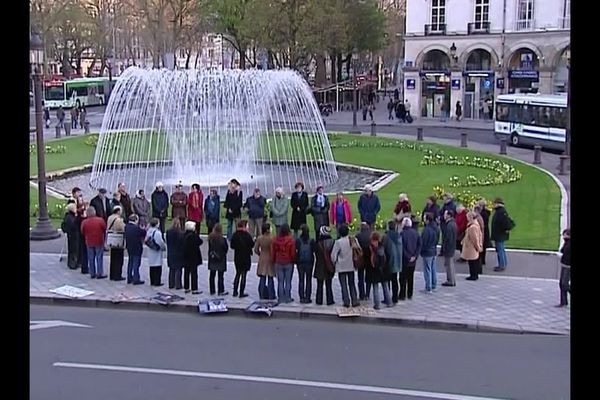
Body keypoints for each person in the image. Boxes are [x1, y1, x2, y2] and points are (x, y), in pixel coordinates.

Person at [331, 224, 360, 308]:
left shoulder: (338, 242)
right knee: (352, 284)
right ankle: (354, 300)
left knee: (343, 285)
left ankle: (346, 301)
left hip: (341, 266)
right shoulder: (353, 240)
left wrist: (335, 262)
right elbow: (358, 249)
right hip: (351, 265)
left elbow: (333, 255)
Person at [366, 231, 391, 310]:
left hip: (374, 270)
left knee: (375, 287)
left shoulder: (369, 248)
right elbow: (387, 256)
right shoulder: (382, 246)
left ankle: (377, 305)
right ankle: (389, 302)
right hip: (383, 269)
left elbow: (367, 260)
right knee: (385, 285)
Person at [80, 206, 107, 279]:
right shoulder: (100, 220)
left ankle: (92, 273)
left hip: (89, 241)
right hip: (99, 241)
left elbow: (82, 231)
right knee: (99, 257)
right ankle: (99, 273)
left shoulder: (84, 222)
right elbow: (104, 229)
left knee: (91, 258)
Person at [271, 223, 296, 303]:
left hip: (278, 262)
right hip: (288, 262)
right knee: (288, 281)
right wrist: (293, 260)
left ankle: (280, 298)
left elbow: (273, 251)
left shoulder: (275, 240)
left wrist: (274, 260)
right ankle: (288, 297)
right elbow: (292, 253)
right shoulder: (291, 240)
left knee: (280, 281)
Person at [230, 220, 254, 297]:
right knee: (244, 275)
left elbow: (232, 246)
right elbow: (252, 245)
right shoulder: (247, 235)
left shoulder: (235, 235)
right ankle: (241, 292)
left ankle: (235, 291)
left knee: (237, 273)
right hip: (245, 257)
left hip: (237, 257)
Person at [491, 197, 514, 272]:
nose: (493, 205)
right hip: (499, 234)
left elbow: (505, 224)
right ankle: (503, 264)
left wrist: (504, 230)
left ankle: (502, 265)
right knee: (501, 250)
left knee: (500, 250)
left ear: (498, 204)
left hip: (499, 235)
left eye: (494, 203)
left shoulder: (500, 212)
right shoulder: (501, 212)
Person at [314, 226, 335, 306]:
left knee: (319, 285)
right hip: (329, 265)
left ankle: (319, 300)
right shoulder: (333, 242)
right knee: (329, 285)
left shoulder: (317, 244)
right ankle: (330, 300)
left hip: (319, 265)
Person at [399, 217, 420, 300]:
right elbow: (419, 245)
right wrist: (415, 256)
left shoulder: (402, 234)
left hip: (405, 260)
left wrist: (408, 256)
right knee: (410, 277)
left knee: (403, 278)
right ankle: (410, 294)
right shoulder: (416, 233)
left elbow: (402, 247)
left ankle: (402, 294)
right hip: (413, 259)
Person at [295, 224, 316, 303]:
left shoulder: (298, 240)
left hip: (300, 262)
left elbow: (296, 250)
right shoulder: (311, 241)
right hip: (309, 262)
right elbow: (314, 250)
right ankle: (307, 297)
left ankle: (301, 297)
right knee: (308, 280)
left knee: (301, 280)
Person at [420, 212, 439, 294]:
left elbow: (423, 242)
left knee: (427, 269)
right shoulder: (436, 228)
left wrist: (421, 251)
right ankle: (433, 285)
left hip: (427, 252)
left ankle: (428, 287)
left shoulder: (426, 230)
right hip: (433, 250)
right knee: (433, 268)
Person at [254, 223, 275, 300]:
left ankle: (261, 294)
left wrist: (260, 254)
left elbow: (256, 249)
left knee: (262, 278)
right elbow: (273, 250)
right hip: (269, 258)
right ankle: (271, 295)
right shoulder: (272, 238)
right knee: (270, 277)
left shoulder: (259, 238)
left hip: (262, 257)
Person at [383, 220, 402, 304]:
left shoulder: (386, 237)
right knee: (395, 280)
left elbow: (383, 249)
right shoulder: (399, 236)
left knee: (387, 280)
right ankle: (395, 297)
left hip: (388, 261)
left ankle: (387, 298)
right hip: (398, 261)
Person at [207, 223, 229, 296]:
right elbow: (226, 249)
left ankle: (212, 290)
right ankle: (220, 290)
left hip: (212, 257)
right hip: (221, 258)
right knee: (220, 276)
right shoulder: (222, 239)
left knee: (212, 275)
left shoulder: (210, 238)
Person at [124, 214, 146, 284]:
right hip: (137, 247)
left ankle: (129, 277)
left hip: (129, 247)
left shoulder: (126, 227)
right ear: (136, 220)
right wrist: (143, 228)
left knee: (130, 262)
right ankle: (136, 278)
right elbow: (144, 233)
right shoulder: (137, 228)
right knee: (136, 264)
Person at [183, 221, 203, 294]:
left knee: (186, 272)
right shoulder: (194, 236)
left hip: (185, 256)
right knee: (194, 273)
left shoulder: (184, 235)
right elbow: (200, 242)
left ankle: (186, 287)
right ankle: (194, 288)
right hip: (194, 256)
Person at [462, 212, 483, 281]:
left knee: (472, 262)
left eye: (467, 217)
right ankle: (474, 275)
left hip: (471, 247)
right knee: (473, 262)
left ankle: (473, 275)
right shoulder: (475, 225)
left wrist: (477, 247)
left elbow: (474, 238)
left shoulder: (472, 227)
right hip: (472, 247)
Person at [145, 218, 166, 286]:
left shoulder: (148, 231)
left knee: (151, 267)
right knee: (157, 266)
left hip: (150, 250)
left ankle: (152, 281)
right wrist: (163, 248)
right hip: (156, 251)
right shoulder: (157, 232)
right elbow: (160, 242)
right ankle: (157, 282)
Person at [106, 206, 126, 281]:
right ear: (118, 211)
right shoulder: (119, 220)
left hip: (111, 239)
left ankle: (112, 274)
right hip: (118, 240)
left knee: (113, 257)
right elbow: (122, 228)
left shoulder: (109, 218)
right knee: (118, 258)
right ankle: (117, 275)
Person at [166, 219, 185, 290]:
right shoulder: (180, 233)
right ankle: (178, 284)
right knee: (178, 269)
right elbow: (182, 244)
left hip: (171, 252)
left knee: (171, 269)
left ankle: (171, 284)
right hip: (178, 253)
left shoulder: (168, 232)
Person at [440, 210, 458, 287]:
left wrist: (445, 247)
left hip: (449, 248)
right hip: (451, 247)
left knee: (449, 264)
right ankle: (452, 280)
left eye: (445, 214)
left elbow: (448, 238)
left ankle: (450, 280)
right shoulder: (453, 224)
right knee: (450, 264)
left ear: (449, 215)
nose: (444, 215)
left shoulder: (449, 225)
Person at [355, 222, 372, 300]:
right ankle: (367, 294)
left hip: (361, 259)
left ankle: (362, 294)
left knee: (360, 278)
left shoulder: (358, 236)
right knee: (369, 278)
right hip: (369, 259)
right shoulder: (371, 235)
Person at [61, 203, 79, 270]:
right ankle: (72, 263)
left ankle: (72, 263)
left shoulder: (68, 216)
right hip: (73, 236)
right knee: (73, 249)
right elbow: (73, 226)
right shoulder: (70, 217)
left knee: (72, 249)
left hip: (71, 235)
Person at [556, 229, 570, 308]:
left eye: (564, 235)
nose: (563, 236)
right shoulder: (566, 243)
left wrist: (562, 255)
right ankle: (563, 301)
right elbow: (562, 250)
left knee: (565, 284)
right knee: (561, 283)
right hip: (564, 264)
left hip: (568, 266)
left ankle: (564, 301)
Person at [477, 199, 492, 267]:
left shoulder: (483, 214)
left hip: (483, 230)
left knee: (482, 244)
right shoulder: (486, 212)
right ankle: (482, 260)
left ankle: (481, 260)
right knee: (483, 245)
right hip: (485, 230)